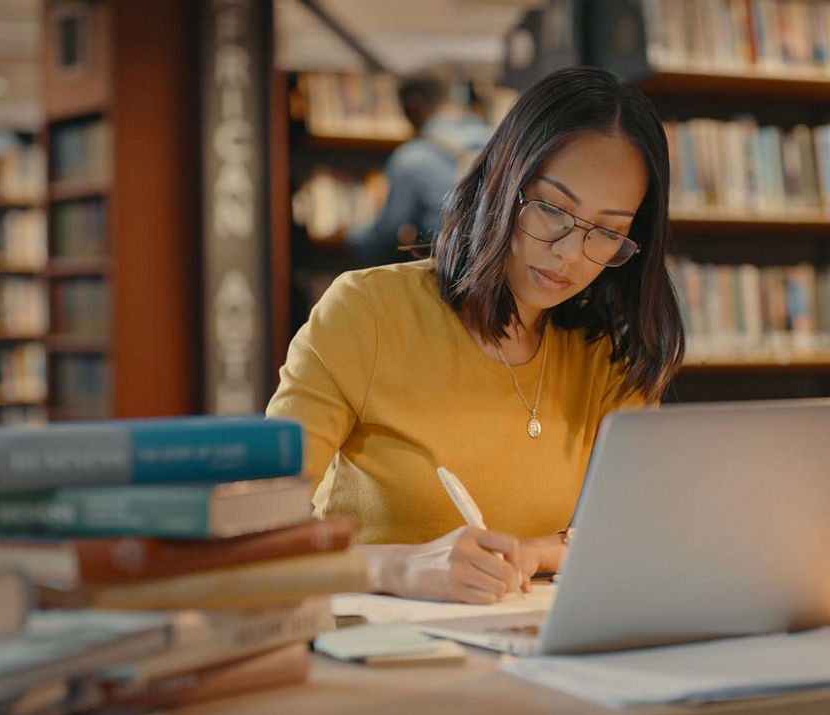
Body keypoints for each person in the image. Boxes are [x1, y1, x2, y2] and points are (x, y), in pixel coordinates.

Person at [266, 67, 685, 604]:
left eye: (607, 232)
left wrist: (535, 552)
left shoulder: (609, 353)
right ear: (501, 180)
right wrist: (398, 567)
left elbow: (631, 535)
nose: (570, 254)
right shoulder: (367, 311)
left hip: (520, 648)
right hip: (373, 646)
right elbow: (257, 530)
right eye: (553, 210)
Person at [348, 72, 493, 264]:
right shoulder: (496, 139)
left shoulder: (411, 158)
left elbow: (387, 232)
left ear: (414, 104)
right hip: (495, 267)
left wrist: (353, 239)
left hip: (447, 270)